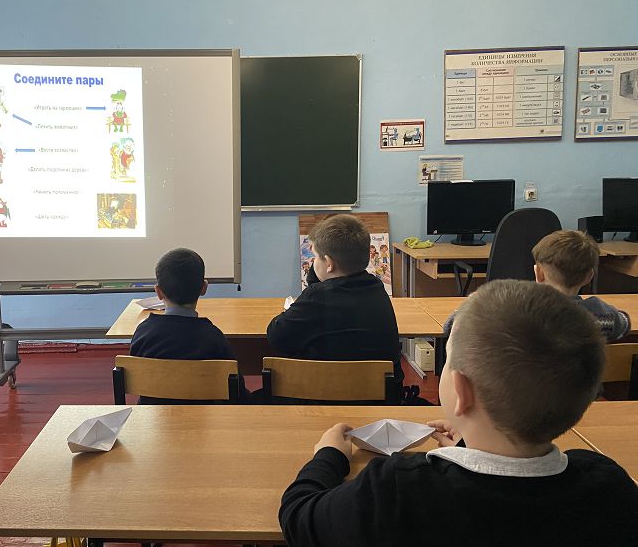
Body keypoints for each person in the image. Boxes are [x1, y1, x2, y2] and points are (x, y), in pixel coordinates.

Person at [279, 280, 638, 546]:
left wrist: (328, 456)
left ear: (462, 393)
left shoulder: (397, 489)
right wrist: (467, 447)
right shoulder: (611, 489)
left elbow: (298, 519)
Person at [267, 214, 402, 388]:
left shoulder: (317, 297)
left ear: (329, 264)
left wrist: (313, 284)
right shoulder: (376, 287)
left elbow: (276, 337)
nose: (314, 262)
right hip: (383, 396)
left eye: (316, 257)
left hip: (325, 396)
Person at [129, 248, 242, 403]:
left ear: (158, 292)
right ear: (204, 288)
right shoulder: (214, 337)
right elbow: (237, 390)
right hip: (204, 416)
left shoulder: (143, 332)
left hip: (155, 415)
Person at [532, 229, 630, 341]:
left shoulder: (526, 315)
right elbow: (624, 324)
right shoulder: (601, 314)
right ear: (589, 277)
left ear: (539, 273)